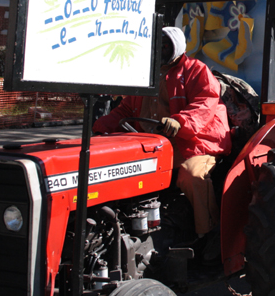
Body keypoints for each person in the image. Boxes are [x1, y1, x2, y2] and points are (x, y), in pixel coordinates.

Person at [94, 27, 230, 240]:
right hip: (153, 144)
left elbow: (204, 103)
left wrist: (179, 121)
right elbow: (126, 109)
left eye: (165, 45)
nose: (160, 50)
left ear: (175, 47)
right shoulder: (147, 76)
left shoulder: (196, 70)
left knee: (192, 176)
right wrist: (102, 127)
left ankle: (209, 235)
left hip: (194, 142)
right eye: (157, 45)